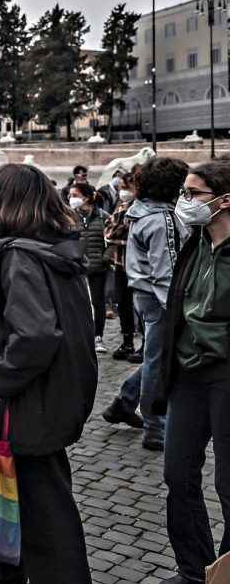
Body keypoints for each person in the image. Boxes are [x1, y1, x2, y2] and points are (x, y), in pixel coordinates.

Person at [0, 163, 97, 584]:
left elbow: (35, 334)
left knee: (45, 507)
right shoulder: (52, 246)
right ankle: (6, 565)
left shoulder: (22, 255)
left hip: (36, 395)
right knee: (31, 488)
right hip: (61, 387)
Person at [151, 157, 230, 584]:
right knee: (178, 475)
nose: (184, 201)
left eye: (193, 193)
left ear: (224, 200)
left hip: (226, 374)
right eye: (183, 192)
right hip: (188, 372)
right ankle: (195, 571)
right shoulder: (194, 243)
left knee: (229, 485)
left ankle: (226, 576)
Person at [103, 156, 190, 451]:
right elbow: (166, 271)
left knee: (157, 356)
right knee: (158, 361)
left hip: (146, 294)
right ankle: (155, 427)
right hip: (159, 297)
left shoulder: (143, 212)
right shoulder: (162, 220)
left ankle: (124, 401)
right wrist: (177, 310)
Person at [68, 182, 110, 353]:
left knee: (98, 303)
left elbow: (112, 239)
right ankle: (78, 336)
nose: (71, 199)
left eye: (74, 195)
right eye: (70, 195)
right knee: (75, 302)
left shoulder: (102, 216)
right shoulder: (68, 216)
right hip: (75, 267)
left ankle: (98, 336)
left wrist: (105, 258)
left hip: (97, 266)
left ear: (85, 197)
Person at [104, 169, 139, 360]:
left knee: (140, 304)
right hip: (120, 263)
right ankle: (127, 340)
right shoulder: (120, 208)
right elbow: (108, 232)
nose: (123, 191)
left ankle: (144, 343)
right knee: (123, 303)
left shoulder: (140, 208)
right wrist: (126, 228)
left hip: (138, 265)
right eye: (121, 187)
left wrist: (122, 232)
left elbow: (136, 235)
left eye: (126, 187)